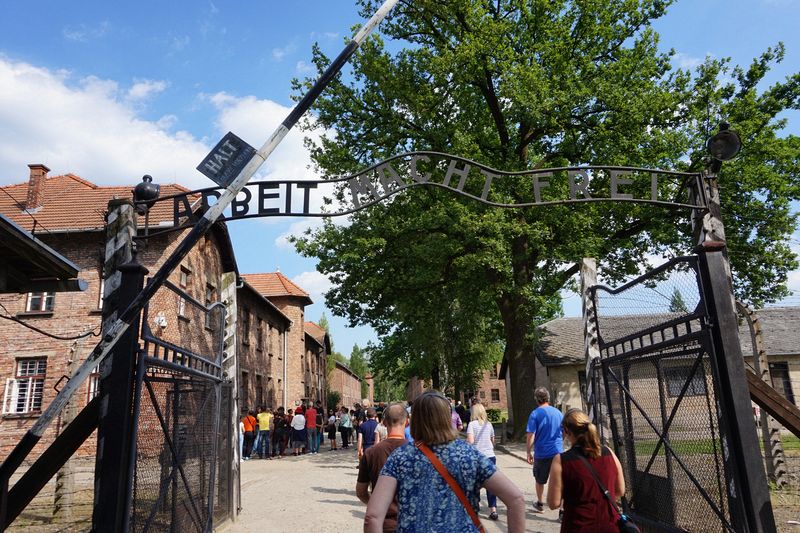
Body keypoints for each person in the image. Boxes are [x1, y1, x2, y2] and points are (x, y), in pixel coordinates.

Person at [364, 390, 525, 533]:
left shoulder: (400, 458)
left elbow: (373, 517)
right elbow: (515, 498)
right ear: (448, 417)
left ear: (414, 420)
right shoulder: (469, 454)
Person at [547, 409, 625, 531]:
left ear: (567, 431)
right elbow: (620, 490)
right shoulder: (608, 452)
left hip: (578, 526)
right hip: (609, 525)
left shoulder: (561, 461)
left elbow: (553, 503)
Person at [356, 402, 409, 532]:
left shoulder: (371, 453)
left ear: (384, 423)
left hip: (383, 523)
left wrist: (377, 505)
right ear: (407, 422)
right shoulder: (418, 452)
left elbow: (361, 491)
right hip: (410, 522)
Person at [526, 387, 563, 513]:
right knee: (561, 480)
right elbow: (564, 431)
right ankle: (562, 510)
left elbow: (531, 435)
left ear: (536, 399)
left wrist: (528, 452)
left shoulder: (535, 414)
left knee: (540, 480)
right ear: (548, 397)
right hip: (558, 452)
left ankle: (540, 503)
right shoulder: (558, 413)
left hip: (542, 453)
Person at [466, 402, 498, 520]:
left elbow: (470, 441)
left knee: (476, 484)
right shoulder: (488, 424)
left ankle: (475, 508)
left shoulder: (471, 424)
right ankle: (493, 510)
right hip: (490, 456)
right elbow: (492, 440)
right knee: (491, 484)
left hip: (477, 457)